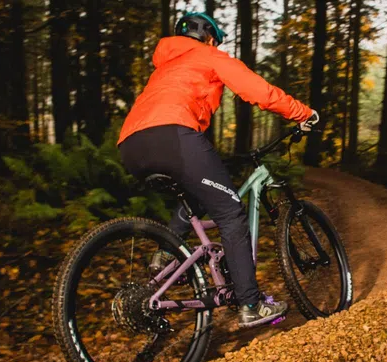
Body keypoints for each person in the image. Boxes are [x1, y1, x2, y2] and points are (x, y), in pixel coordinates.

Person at [117, 12, 319, 328]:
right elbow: (259, 92)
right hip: (175, 136)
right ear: (209, 38)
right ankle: (251, 305)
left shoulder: (164, 68)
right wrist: (303, 113)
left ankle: (166, 255)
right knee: (231, 214)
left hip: (130, 145)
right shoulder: (209, 55)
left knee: (195, 199)